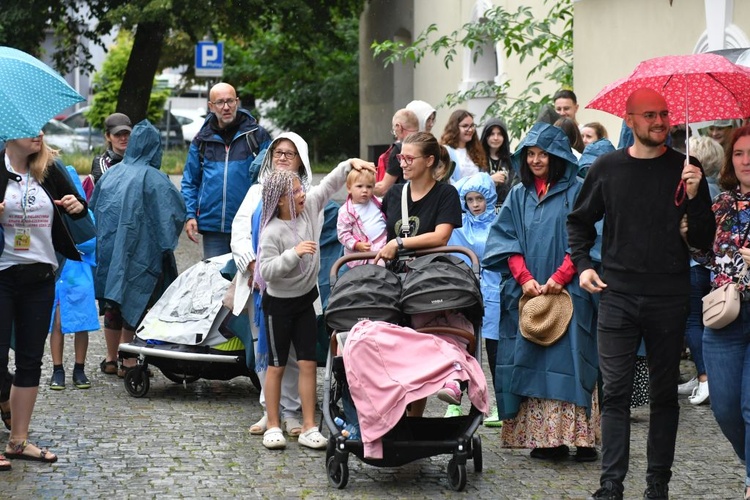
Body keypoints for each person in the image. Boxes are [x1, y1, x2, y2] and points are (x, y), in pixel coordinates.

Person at [566, 88, 715, 500]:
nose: (661, 121)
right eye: (650, 115)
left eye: (664, 114)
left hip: (670, 295)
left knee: (664, 395)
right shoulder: (607, 168)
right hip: (617, 294)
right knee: (615, 391)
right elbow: (579, 222)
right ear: (629, 120)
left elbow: (703, 241)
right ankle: (611, 484)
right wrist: (583, 266)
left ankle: (657, 485)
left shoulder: (687, 168)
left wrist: (698, 194)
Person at [482, 122, 599, 463]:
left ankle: (582, 437)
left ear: (557, 156)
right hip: (530, 294)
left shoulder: (577, 191)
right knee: (533, 360)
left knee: (573, 361)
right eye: (530, 154)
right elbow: (504, 238)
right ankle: (548, 440)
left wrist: (563, 275)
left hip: (572, 292)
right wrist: (523, 277)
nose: (535, 160)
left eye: (542, 154)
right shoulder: (518, 195)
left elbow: (588, 236)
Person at [254, 159, 374, 450]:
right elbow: (266, 270)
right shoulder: (271, 232)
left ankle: (309, 426)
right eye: (295, 191)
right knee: (277, 365)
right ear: (281, 199)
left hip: (305, 303)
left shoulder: (307, 209)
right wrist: (293, 254)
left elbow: (328, 185)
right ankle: (273, 423)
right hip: (278, 306)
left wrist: (348, 165)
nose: (302, 194)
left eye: (300, 188)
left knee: (309, 363)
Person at [1, 133, 89, 468]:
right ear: (10, 136)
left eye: (40, 129)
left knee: (29, 360)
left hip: (40, 277)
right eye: (30, 131)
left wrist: (77, 207)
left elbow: (81, 211)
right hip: (2, 274)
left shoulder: (48, 169)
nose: (39, 135)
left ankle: (18, 441)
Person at [231, 132, 313, 439]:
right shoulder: (256, 191)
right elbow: (239, 230)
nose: (282, 157)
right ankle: (271, 410)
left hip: (294, 287)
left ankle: (292, 412)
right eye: (278, 152)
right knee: (264, 350)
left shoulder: (306, 194)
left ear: (300, 159)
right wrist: (253, 265)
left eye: (289, 154)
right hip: (258, 283)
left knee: (292, 351)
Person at [374, 132, 463, 416]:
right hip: (396, 279)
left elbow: (441, 237)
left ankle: (415, 418)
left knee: (425, 340)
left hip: (427, 279)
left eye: (409, 158)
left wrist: (399, 243)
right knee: (397, 350)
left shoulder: (445, 194)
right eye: (401, 157)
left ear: (429, 160)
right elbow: (384, 235)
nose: (403, 163)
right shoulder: (394, 194)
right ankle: (398, 417)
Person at [91, 120, 186, 377]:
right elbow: (174, 214)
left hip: (111, 253)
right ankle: (129, 361)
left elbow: (95, 208)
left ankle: (111, 358)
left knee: (113, 302)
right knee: (137, 300)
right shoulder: (155, 178)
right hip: (142, 254)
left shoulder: (112, 174)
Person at [691, 124, 750, 500]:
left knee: (749, 406)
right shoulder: (722, 202)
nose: (746, 161)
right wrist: (692, 195)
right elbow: (701, 252)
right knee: (726, 408)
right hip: (725, 315)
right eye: (740, 153)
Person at [181, 82, 272, 258]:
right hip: (213, 228)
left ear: (237, 102)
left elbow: (270, 178)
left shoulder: (256, 136)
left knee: (246, 281)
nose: (226, 107)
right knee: (215, 281)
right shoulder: (202, 140)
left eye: (230, 101)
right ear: (211, 106)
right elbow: (190, 181)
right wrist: (190, 215)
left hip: (249, 226)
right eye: (220, 102)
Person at [446, 172, 503, 425]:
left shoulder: (500, 223)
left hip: (493, 292)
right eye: (470, 199)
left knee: (494, 350)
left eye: (480, 198)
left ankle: (501, 405)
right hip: (465, 291)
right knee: (462, 345)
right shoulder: (459, 225)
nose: (475, 204)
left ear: (489, 197)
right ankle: (455, 402)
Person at [678, 135, 724, 406]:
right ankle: (702, 374)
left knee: (693, 321)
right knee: (711, 321)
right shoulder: (722, 188)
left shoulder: (699, 189)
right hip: (715, 269)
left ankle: (706, 377)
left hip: (697, 265)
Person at [48, 165, 99, 390]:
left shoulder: (84, 213)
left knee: (81, 323)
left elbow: (91, 241)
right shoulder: (50, 210)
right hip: (59, 273)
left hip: (79, 274)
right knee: (57, 322)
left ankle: (79, 368)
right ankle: (57, 369)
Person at [337, 167, 387, 267]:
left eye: (369, 187)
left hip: (383, 242)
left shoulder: (377, 202)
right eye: (359, 186)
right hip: (361, 253)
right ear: (349, 188)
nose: (365, 190)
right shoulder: (346, 211)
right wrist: (356, 245)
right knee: (377, 267)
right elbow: (343, 234)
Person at [82, 113, 132, 201]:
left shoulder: (139, 160)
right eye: (117, 134)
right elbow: (112, 189)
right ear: (108, 137)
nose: (123, 138)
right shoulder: (101, 162)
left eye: (126, 133)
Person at [374, 108, 418, 197]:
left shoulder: (400, 149)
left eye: (394, 130)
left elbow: (383, 189)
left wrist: (364, 186)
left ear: (399, 127)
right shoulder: (427, 144)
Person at [440, 109, 487, 181]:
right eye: (465, 126)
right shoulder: (446, 151)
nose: (470, 130)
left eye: (472, 126)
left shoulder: (476, 151)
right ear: (454, 127)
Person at [479, 119, 515, 208]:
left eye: (499, 134)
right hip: (483, 209)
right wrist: (490, 179)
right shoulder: (477, 159)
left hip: (506, 208)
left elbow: (516, 185)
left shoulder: (511, 160)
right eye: (492, 134)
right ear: (486, 136)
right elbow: (471, 186)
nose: (496, 138)